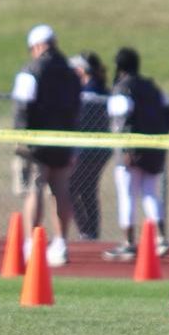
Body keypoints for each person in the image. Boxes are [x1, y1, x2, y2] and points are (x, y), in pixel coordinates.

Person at [11, 24, 81, 266]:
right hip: (64, 138)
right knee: (61, 190)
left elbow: (22, 106)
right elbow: (76, 107)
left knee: (34, 188)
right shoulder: (71, 73)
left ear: (38, 46)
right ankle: (60, 243)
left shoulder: (31, 70)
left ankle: (32, 243)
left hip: (37, 139)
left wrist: (21, 136)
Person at [105, 47, 169, 260]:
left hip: (130, 151)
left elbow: (120, 119)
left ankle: (128, 242)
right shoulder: (153, 88)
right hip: (153, 148)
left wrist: (125, 148)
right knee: (150, 192)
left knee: (127, 194)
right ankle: (161, 239)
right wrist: (161, 137)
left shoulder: (122, 89)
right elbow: (168, 110)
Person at [68, 51, 110, 241]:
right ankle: (92, 233)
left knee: (68, 188)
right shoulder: (103, 90)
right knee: (88, 189)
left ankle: (86, 232)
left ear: (81, 70)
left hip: (86, 150)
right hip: (101, 150)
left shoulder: (88, 93)